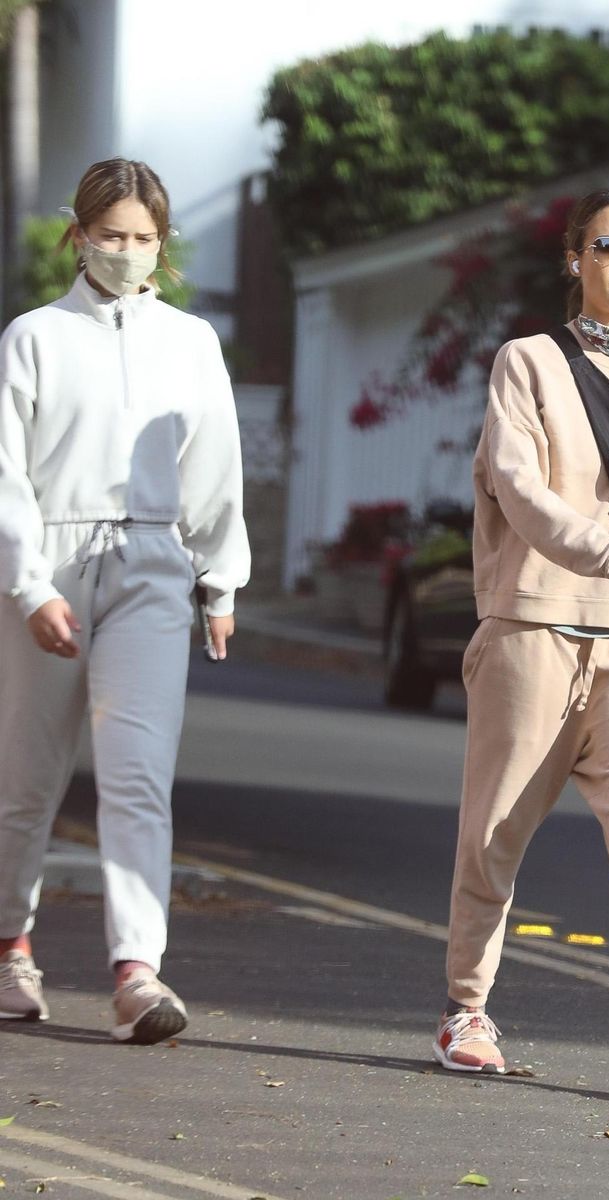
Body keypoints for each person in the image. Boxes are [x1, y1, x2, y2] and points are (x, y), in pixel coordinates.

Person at [432, 187, 609, 1101]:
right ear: (575, 259)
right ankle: (466, 1009)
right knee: (494, 837)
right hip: (533, 631)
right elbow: (518, 488)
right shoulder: (527, 364)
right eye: (607, 246)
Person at [0, 158, 250, 1044]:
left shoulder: (190, 343)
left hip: (151, 561)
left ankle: (137, 972)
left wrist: (220, 578)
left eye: (144, 239)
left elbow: (214, 465)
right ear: (78, 234)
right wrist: (28, 584)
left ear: (163, 245)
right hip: (51, 562)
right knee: (26, 780)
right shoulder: (32, 337)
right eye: (111, 236)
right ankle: (10, 947)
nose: (127, 253)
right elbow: (6, 477)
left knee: (138, 777)